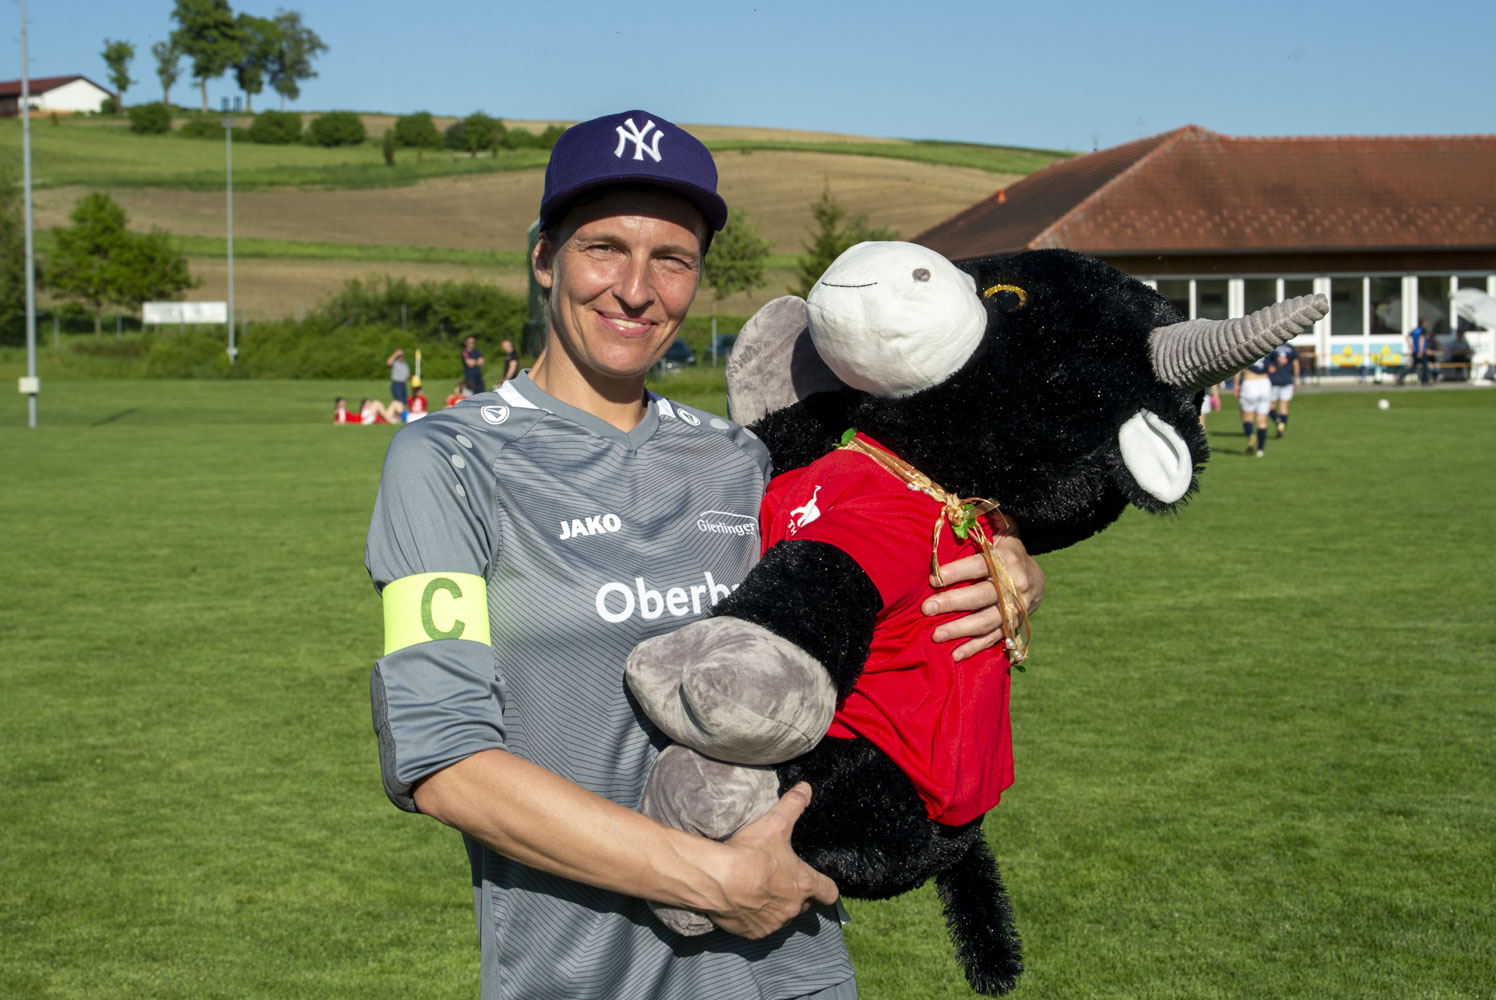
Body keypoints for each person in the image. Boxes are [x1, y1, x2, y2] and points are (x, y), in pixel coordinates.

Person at [364, 109, 1044, 1000]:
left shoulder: (745, 459)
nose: (635, 290)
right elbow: (445, 762)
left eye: (672, 259)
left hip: (794, 972)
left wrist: (1004, 557)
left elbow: (897, 531)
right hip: (582, 980)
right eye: (603, 248)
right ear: (544, 258)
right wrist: (707, 879)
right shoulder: (448, 460)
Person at [1233, 352, 1274, 457]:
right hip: (1265, 383)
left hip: (1250, 382)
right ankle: (1260, 450)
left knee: (1247, 418)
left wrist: (1236, 385)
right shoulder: (1266, 349)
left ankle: (1251, 435)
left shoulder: (1247, 349)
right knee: (1262, 421)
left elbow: (1238, 368)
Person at [1268, 340, 1300, 437]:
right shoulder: (1290, 347)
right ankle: (1283, 429)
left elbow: (1268, 364)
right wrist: (1296, 378)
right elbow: (1296, 364)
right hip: (1287, 380)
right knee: (1284, 407)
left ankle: (1278, 422)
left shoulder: (1271, 346)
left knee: (1270, 406)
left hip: (1273, 380)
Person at [1398, 318, 1431, 385]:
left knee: (1414, 367)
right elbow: (1421, 340)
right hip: (1421, 351)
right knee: (1425, 366)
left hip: (1414, 351)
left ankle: (1401, 376)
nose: (1426, 324)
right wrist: (1420, 351)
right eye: (1425, 323)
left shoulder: (1415, 330)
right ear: (1423, 323)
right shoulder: (1422, 330)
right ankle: (1425, 380)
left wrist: (1410, 345)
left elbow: (1407, 337)